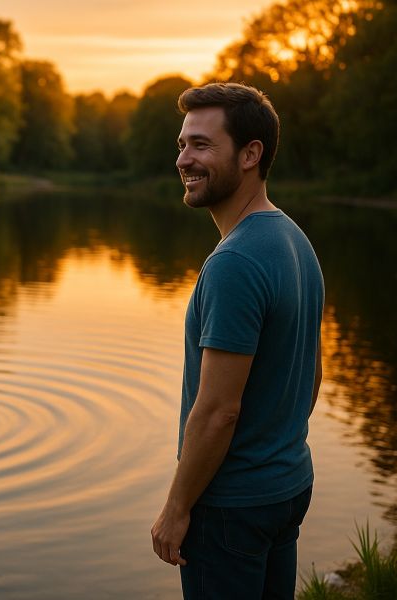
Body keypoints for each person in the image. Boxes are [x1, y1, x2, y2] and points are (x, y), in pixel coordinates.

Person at [150, 82, 324, 599]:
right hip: (286, 486)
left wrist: (176, 509)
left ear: (251, 155)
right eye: (182, 144)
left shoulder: (235, 262)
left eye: (202, 145)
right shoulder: (294, 239)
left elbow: (218, 409)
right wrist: (275, 447)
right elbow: (311, 373)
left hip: (231, 506)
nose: (184, 159)